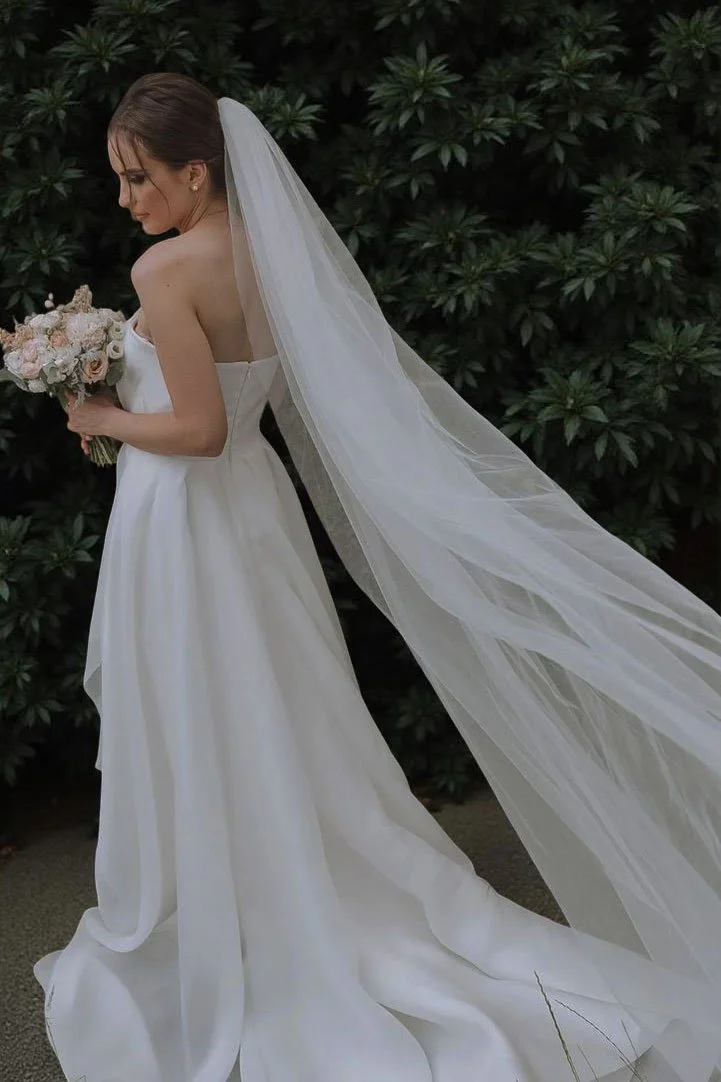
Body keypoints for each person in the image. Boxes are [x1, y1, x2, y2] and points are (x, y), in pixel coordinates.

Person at [33, 72, 721, 1082]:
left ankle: (240, 898)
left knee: (207, 705)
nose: (126, 199)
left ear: (195, 171)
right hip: (254, 516)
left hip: (190, 520)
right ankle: (281, 870)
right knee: (278, 704)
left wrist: (97, 415)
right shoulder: (269, 253)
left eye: (139, 179)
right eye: (121, 181)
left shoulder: (166, 272)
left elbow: (198, 426)